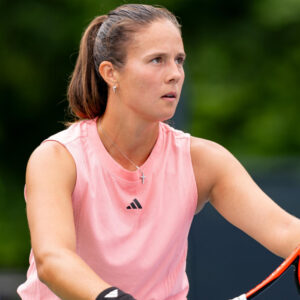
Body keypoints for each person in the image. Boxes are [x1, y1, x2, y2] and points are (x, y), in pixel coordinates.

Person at [17, 4, 300, 300]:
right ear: (111, 73)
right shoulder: (57, 158)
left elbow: (285, 231)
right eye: (157, 60)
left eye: (179, 60)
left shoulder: (204, 161)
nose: (175, 74)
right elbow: (53, 260)